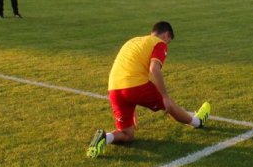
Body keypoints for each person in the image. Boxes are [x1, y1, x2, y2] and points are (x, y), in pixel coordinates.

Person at [87, 22, 211, 158]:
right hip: (135, 86)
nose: (167, 45)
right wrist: (165, 96)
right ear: (166, 35)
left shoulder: (133, 41)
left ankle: (105, 137)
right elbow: (154, 68)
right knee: (169, 105)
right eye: (168, 42)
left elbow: (127, 68)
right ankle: (197, 122)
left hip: (114, 89)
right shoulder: (159, 43)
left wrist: (131, 105)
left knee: (127, 135)